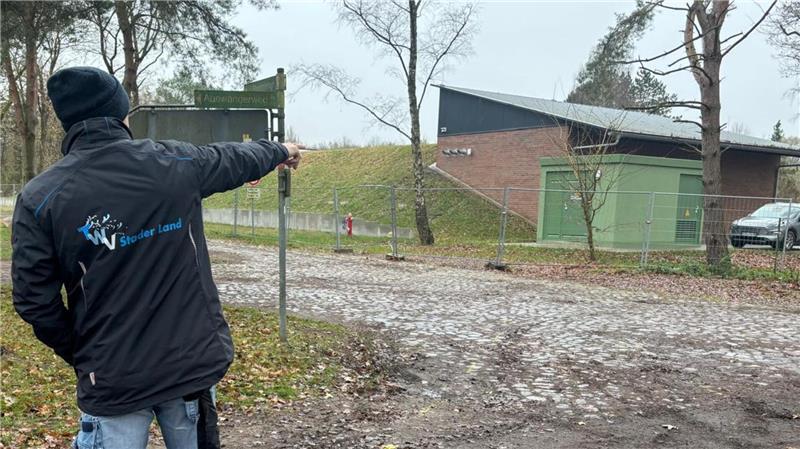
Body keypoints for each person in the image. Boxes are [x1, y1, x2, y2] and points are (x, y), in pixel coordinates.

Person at [10, 66, 301, 449]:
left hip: (113, 376)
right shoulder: (175, 163)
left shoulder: (39, 197)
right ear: (119, 112)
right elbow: (234, 158)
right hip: (187, 365)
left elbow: (33, 300)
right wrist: (282, 150)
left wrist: (84, 350)